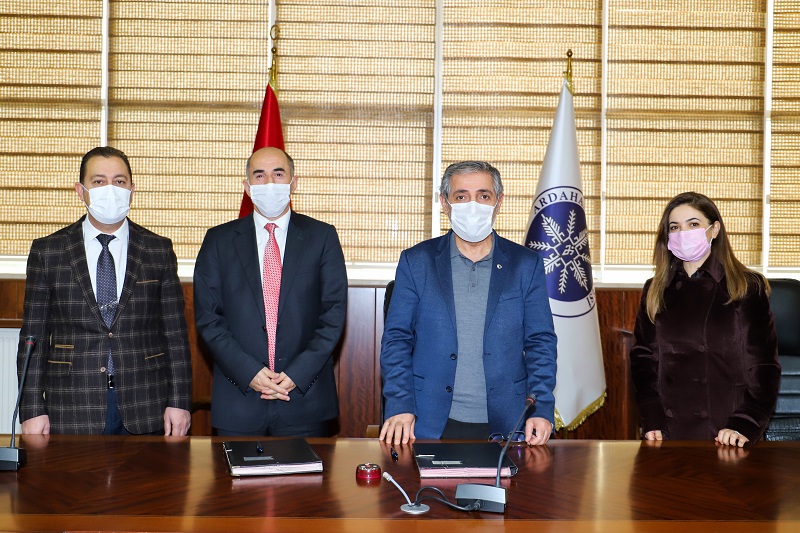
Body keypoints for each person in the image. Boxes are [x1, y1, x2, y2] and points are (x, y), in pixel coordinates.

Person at [379, 161, 558, 445]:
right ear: (445, 203)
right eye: (461, 196)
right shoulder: (416, 262)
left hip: (509, 422)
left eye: (483, 196)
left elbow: (540, 342)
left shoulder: (526, 264)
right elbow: (396, 339)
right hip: (428, 420)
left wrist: (540, 408)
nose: (473, 205)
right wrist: (400, 404)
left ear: (499, 202)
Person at [17, 146, 193, 435]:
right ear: (81, 190)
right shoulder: (49, 251)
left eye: (119, 181)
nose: (110, 189)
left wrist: (180, 401)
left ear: (132, 189)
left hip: (147, 402)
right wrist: (32, 408)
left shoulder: (157, 249)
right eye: (99, 181)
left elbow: (175, 335)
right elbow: (32, 337)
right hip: (72, 404)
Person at [194, 147, 347, 437]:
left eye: (278, 174)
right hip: (239, 401)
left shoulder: (322, 236)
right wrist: (248, 372)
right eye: (259, 175)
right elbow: (208, 318)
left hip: (304, 399)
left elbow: (333, 314)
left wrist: (297, 374)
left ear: (294, 182)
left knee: (306, 470)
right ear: (247, 187)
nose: (269, 183)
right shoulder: (218, 240)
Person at [630, 191, 780, 447]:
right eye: (674, 227)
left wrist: (745, 422)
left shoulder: (745, 286)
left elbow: (763, 366)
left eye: (693, 224)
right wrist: (652, 418)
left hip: (729, 431)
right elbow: (643, 360)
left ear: (714, 229)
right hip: (669, 432)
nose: (683, 233)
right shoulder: (654, 290)